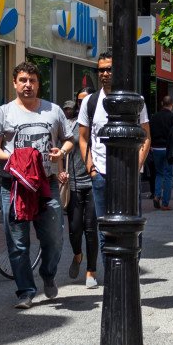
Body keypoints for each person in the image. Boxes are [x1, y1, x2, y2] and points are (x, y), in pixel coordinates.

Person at [0, 61, 73, 310]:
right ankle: (25, 290)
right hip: (14, 186)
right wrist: (11, 158)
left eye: (32, 80)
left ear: (38, 83)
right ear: (15, 83)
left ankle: (47, 273)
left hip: (47, 184)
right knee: (17, 242)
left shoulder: (53, 110)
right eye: (23, 80)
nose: (27, 85)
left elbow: (69, 140)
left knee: (54, 238)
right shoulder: (4, 112)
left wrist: (61, 152)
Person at [77, 52, 151, 223]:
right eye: (100, 70)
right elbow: (83, 138)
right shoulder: (90, 102)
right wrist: (92, 170)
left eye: (109, 69)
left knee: (132, 227)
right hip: (100, 174)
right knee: (104, 229)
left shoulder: (136, 100)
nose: (104, 74)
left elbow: (146, 137)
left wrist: (136, 165)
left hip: (129, 173)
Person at [64, 92, 100, 289]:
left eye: (87, 99)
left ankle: (91, 271)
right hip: (75, 181)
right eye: (80, 100)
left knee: (90, 228)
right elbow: (63, 148)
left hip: (94, 182)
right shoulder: (72, 124)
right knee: (74, 228)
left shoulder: (101, 122)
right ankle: (78, 255)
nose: (83, 103)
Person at [149, 93, 173, 211]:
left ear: (162, 104)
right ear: (172, 104)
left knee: (159, 174)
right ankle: (165, 203)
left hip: (155, 148)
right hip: (168, 149)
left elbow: (149, 132)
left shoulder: (154, 117)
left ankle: (156, 195)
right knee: (168, 175)